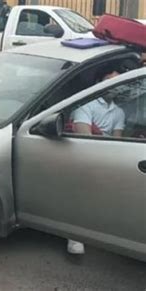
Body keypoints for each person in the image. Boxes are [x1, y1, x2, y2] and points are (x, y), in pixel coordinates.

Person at [68, 65, 124, 255]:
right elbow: (84, 137)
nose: (114, 86)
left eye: (118, 82)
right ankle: (75, 235)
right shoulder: (86, 105)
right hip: (84, 155)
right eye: (110, 81)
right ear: (99, 83)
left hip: (106, 156)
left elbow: (118, 142)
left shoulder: (119, 112)